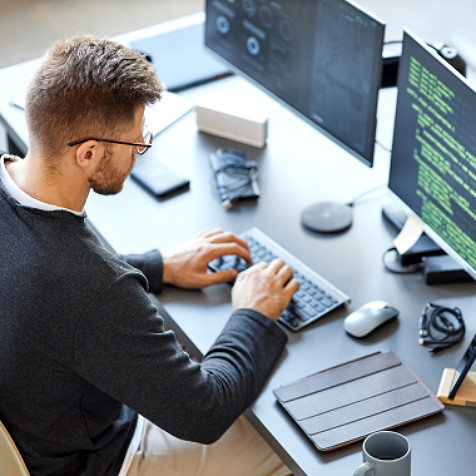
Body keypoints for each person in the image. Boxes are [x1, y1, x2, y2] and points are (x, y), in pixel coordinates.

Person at [0, 35, 300, 475]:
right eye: (135, 144)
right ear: (88, 153)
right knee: (286, 445)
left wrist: (159, 266)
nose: (139, 153)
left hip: (39, 427)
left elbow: (40, 271)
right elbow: (205, 410)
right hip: (96, 460)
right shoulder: (95, 290)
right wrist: (252, 314)